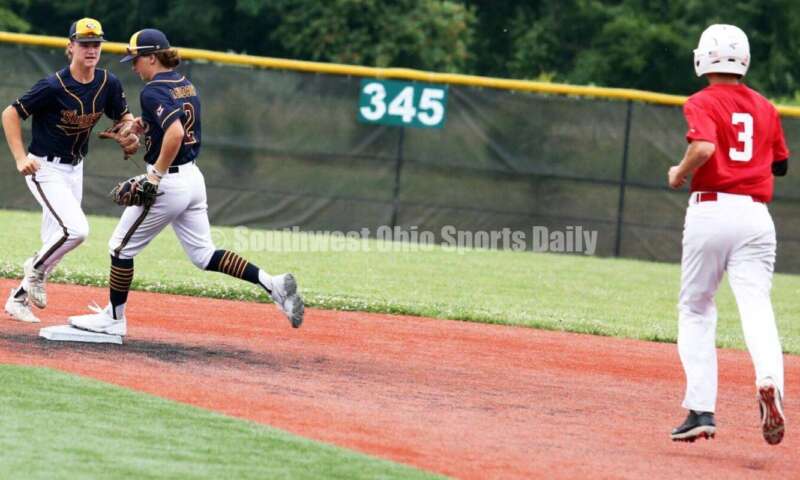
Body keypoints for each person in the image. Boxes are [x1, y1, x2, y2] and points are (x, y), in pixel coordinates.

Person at [68, 29, 304, 336]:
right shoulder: (184, 83)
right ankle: (272, 284)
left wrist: (153, 177)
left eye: (136, 59)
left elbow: (176, 133)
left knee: (119, 248)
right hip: (193, 178)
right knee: (204, 255)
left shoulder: (152, 90)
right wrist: (141, 126)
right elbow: (175, 122)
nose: (133, 66)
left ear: (152, 57)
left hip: (169, 182)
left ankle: (114, 318)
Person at [668, 24, 788, 445]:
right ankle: (770, 381)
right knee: (756, 304)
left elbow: (703, 149)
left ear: (702, 58)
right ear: (745, 60)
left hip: (712, 210)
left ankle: (701, 409)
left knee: (697, 307)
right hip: (756, 217)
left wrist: (680, 172)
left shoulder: (701, 100)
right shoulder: (765, 107)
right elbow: (780, 165)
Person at [2, 18, 135, 323]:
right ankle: (33, 268)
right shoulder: (52, 86)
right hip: (43, 167)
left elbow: (125, 117)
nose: (91, 49)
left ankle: (18, 299)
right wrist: (20, 157)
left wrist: (128, 131)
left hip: (75, 168)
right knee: (76, 231)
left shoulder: (108, 83)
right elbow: (10, 114)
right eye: (85, 43)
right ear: (71, 47)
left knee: (57, 244)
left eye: (96, 44)